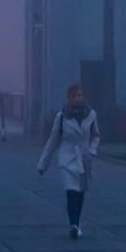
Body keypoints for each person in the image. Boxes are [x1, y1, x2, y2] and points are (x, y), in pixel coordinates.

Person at [37, 83, 100, 239]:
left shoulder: (91, 115)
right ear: (69, 98)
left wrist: (92, 150)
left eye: (80, 95)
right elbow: (52, 140)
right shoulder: (62, 116)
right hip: (67, 158)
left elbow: (96, 135)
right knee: (71, 191)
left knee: (80, 193)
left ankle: (77, 223)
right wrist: (43, 164)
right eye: (75, 95)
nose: (78, 98)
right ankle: (72, 224)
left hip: (84, 159)